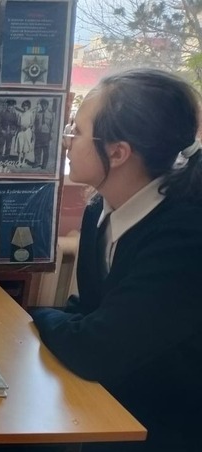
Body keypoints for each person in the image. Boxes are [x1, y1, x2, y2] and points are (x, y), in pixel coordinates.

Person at [30, 68, 202, 451]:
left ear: (118, 152)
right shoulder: (100, 208)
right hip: (116, 401)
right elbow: (94, 312)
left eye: (76, 132)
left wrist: (33, 315)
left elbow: (97, 349)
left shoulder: (186, 237)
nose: (66, 142)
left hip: (167, 424)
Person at [33, 98, 55, 169]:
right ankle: (37, 162)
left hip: (46, 134)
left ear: (47, 105)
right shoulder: (38, 113)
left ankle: (44, 164)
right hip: (38, 133)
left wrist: (51, 134)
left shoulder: (51, 115)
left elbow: (52, 125)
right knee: (37, 149)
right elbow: (35, 123)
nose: (43, 106)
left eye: (45, 105)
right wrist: (34, 132)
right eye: (42, 105)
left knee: (45, 150)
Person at [15, 99, 34, 166]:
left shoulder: (30, 113)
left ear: (28, 106)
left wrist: (27, 126)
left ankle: (23, 161)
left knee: (25, 147)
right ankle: (19, 161)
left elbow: (32, 123)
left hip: (27, 132)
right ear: (22, 106)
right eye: (24, 106)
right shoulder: (20, 114)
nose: (25, 107)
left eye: (26, 106)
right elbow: (18, 123)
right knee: (20, 146)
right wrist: (20, 126)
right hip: (21, 131)